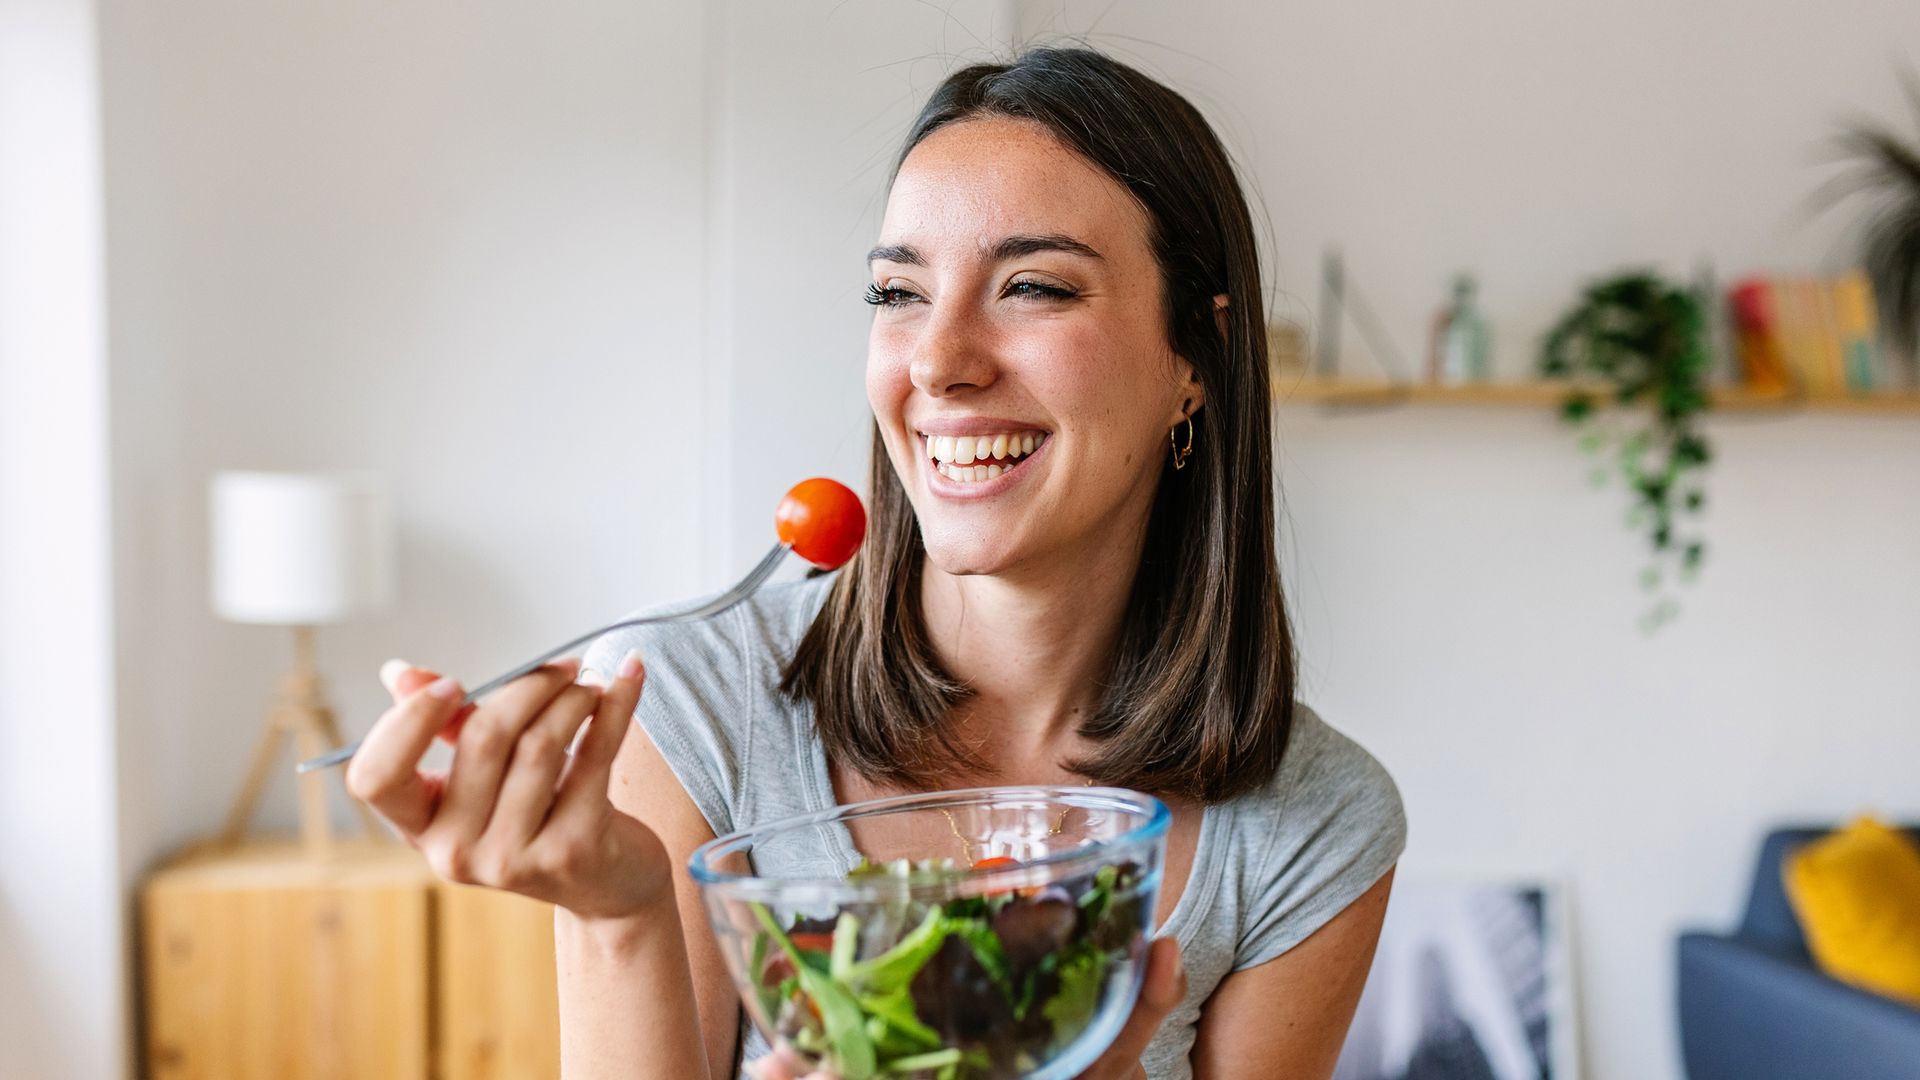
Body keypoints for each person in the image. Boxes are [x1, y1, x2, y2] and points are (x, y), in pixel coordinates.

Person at [347, 46, 1406, 1080]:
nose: (939, 361)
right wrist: (616, 913)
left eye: (1033, 286)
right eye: (898, 295)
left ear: (1198, 359)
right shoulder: (684, 710)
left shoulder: (1314, 823)